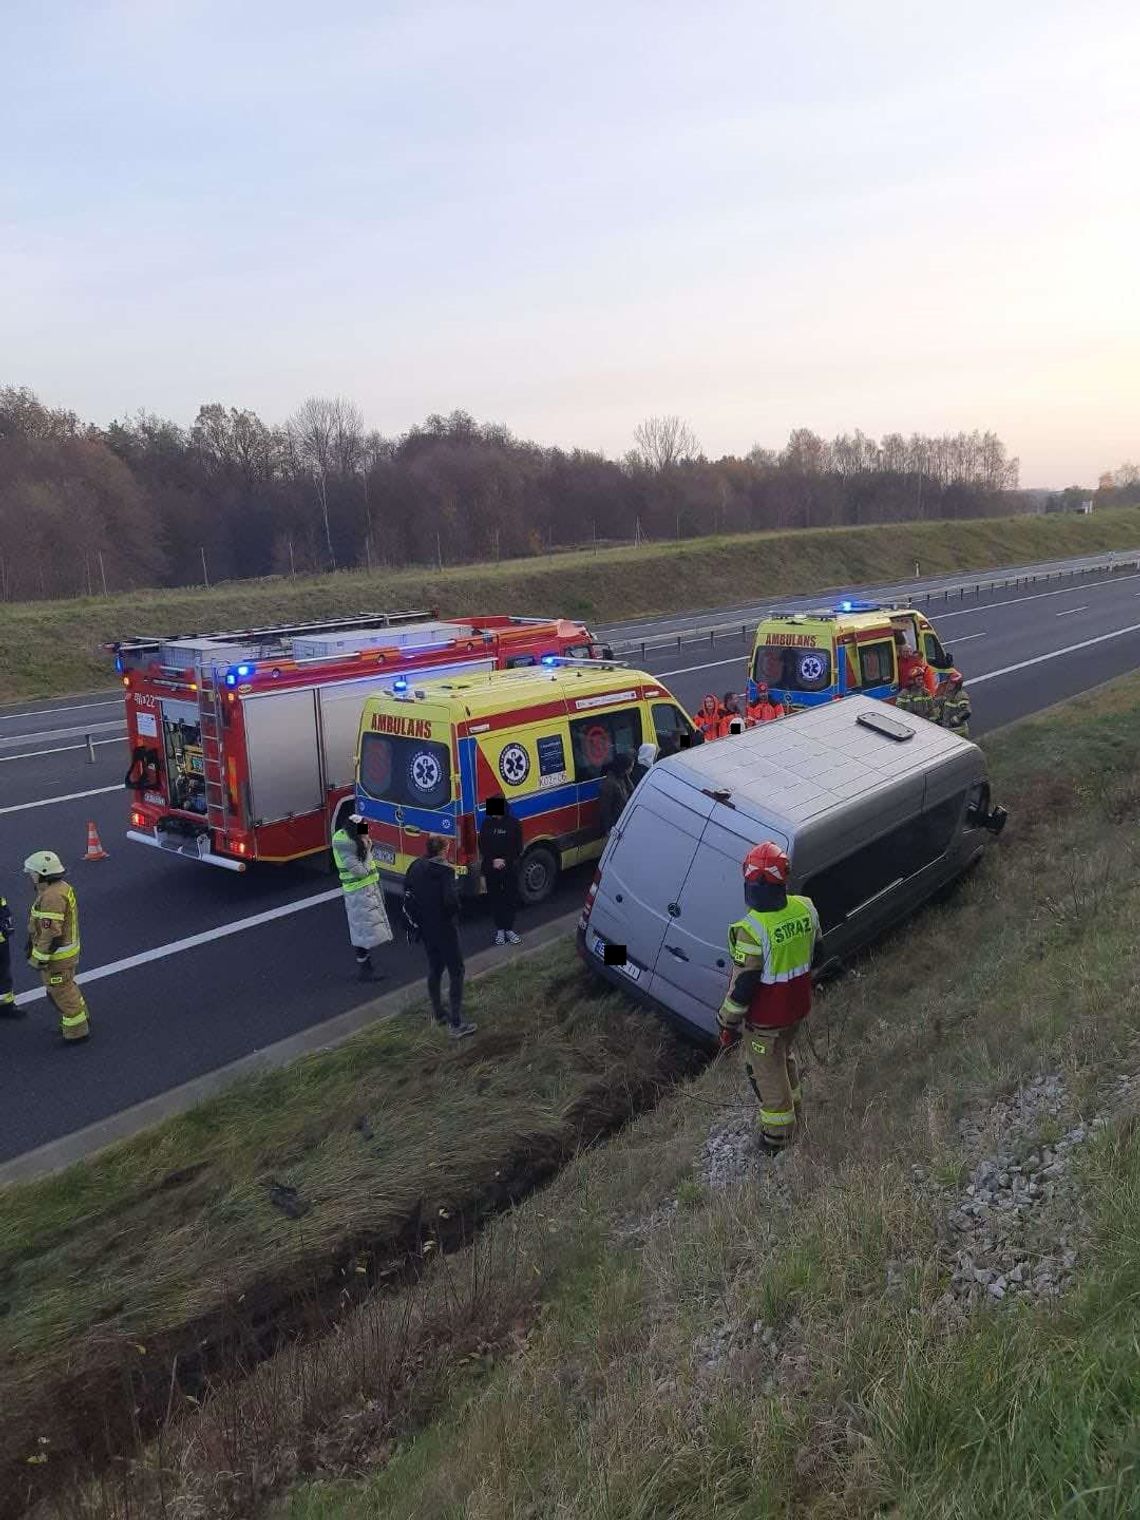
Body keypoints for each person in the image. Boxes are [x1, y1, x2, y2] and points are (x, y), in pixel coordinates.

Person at [717, 841, 819, 1152]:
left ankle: (777, 1138)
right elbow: (818, 952)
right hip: (796, 1009)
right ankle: (795, 1114)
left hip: (765, 1020)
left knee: (765, 1072)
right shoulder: (805, 907)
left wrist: (726, 1023)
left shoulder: (752, 929)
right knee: (783, 1058)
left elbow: (743, 987)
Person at [405, 834, 476, 1038]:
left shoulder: (416, 866)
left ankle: (438, 1012)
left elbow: (408, 890)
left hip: (426, 929)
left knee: (435, 968)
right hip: (445, 928)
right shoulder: (445, 871)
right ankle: (456, 1023)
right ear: (443, 851)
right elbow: (451, 902)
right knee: (457, 971)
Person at [24, 850, 90, 1045]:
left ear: (42, 873)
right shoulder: (61, 888)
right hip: (65, 954)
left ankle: (76, 1032)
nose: (31, 877)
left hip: (57, 957)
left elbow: (51, 932)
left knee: (60, 991)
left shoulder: (52, 896)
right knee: (68, 987)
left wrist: (39, 956)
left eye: (32, 873)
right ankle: (81, 1017)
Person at [331, 814, 393, 981]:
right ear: (355, 830)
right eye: (364, 829)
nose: (367, 832)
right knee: (362, 931)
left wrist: (366, 843)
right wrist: (366, 850)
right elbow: (360, 871)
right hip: (358, 891)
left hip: (365, 889)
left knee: (364, 929)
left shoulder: (353, 840)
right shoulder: (347, 847)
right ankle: (365, 969)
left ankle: (367, 966)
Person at [478, 795, 523, 946]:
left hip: (509, 868)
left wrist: (505, 860)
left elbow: (518, 848)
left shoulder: (514, 824)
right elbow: (483, 846)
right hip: (491, 868)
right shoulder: (486, 824)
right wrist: (493, 861)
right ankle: (500, 930)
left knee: (510, 898)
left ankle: (509, 929)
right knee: (495, 899)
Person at [598, 751, 634, 835]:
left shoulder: (623, 778)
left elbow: (632, 791)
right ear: (624, 767)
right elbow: (605, 809)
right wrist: (608, 828)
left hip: (624, 821)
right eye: (631, 767)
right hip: (616, 824)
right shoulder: (609, 784)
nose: (632, 769)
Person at [939, 672, 972, 738]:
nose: (949, 685)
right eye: (949, 682)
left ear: (957, 685)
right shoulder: (948, 694)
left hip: (958, 731)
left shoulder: (961, 696)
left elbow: (967, 712)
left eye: (952, 683)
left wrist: (956, 719)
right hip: (948, 729)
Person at [1, 889, 16, 1015]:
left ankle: (6, 1005)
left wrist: (7, 923)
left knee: (3, 972)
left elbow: (3, 907)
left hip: (1, 942)